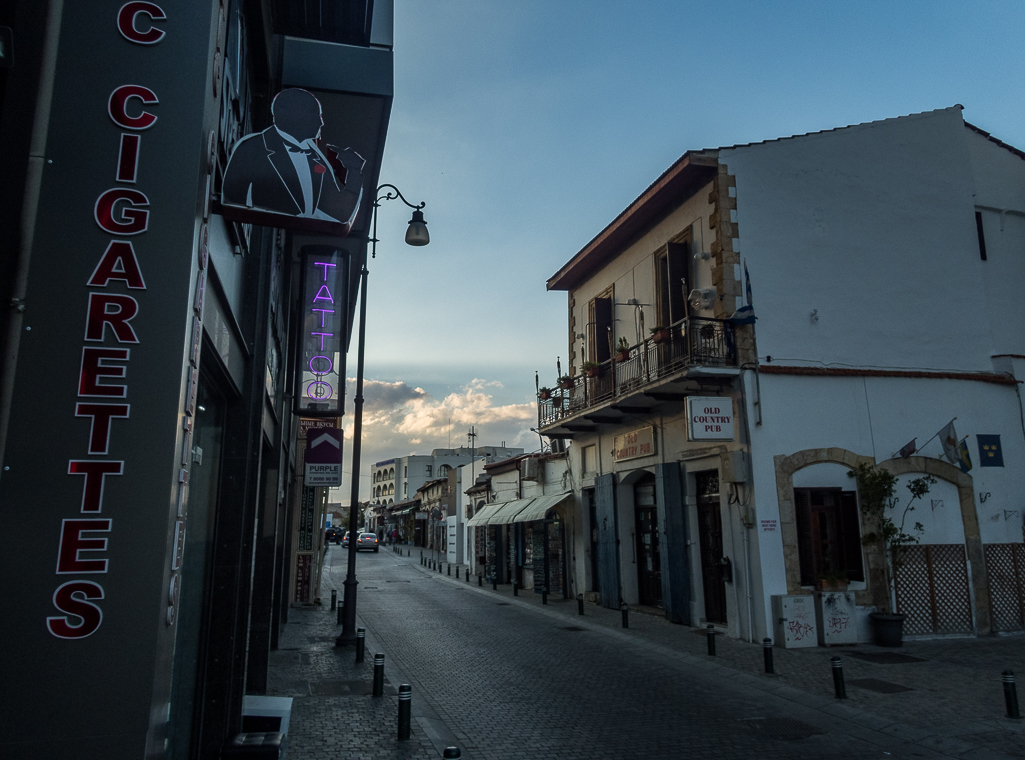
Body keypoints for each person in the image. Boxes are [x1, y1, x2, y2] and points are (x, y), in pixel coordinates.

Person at [221, 88, 364, 230]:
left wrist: (354, 171)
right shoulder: (253, 147)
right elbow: (230, 202)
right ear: (292, 115)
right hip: (246, 236)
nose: (321, 123)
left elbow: (340, 214)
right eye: (315, 115)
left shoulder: (317, 160)